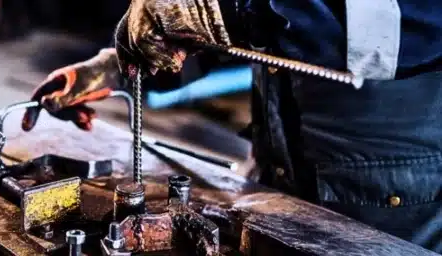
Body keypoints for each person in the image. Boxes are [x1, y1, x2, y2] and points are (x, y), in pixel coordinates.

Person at [23, 0, 442, 253]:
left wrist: (227, 12)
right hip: (278, 170)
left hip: (391, 194)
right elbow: (266, 27)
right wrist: (127, 63)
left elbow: (403, 17)